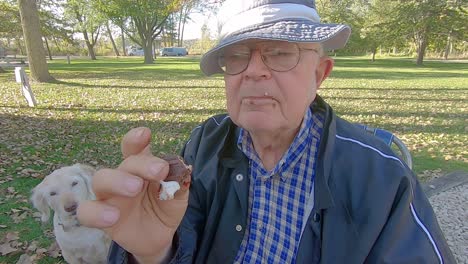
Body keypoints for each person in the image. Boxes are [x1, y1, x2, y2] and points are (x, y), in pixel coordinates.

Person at [77, 0, 455, 263]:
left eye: (280, 51)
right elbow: (176, 240)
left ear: (319, 75)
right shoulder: (206, 142)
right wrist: (152, 254)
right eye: (238, 56)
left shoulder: (382, 176)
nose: (254, 71)